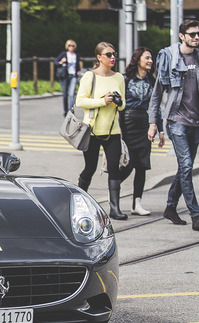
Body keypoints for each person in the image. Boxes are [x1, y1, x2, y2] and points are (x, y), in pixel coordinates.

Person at [148, 19, 199, 231]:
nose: (196, 37)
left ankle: (170, 207)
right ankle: (196, 214)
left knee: (184, 168)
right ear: (182, 36)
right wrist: (153, 123)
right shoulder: (169, 56)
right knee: (187, 165)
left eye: (198, 34)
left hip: (196, 122)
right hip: (176, 120)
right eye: (192, 34)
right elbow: (157, 92)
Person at [75, 42, 127, 220]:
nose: (113, 57)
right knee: (90, 168)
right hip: (92, 130)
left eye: (114, 54)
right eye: (108, 54)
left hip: (112, 130)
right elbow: (80, 101)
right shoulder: (90, 76)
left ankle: (115, 208)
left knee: (114, 168)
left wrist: (118, 103)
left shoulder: (119, 77)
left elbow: (123, 106)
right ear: (99, 57)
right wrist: (102, 101)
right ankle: (79, 204)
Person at [120, 47, 165, 216]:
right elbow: (120, 107)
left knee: (142, 165)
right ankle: (114, 194)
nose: (150, 61)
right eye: (147, 58)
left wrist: (160, 130)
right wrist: (119, 129)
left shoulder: (152, 81)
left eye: (151, 58)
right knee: (127, 164)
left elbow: (156, 108)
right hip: (129, 123)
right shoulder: (125, 80)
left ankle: (136, 203)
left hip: (145, 125)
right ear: (138, 59)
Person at [54, 40, 81, 117]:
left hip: (73, 76)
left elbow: (77, 66)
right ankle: (65, 110)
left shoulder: (76, 55)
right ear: (67, 46)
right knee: (65, 94)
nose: (71, 47)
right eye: (69, 45)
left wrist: (78, 71)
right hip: (65, 76)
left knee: (72, 94)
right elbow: (55, 62)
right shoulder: (64, 54)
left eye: (72, 46)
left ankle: (71, 111)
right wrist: (61, 62)